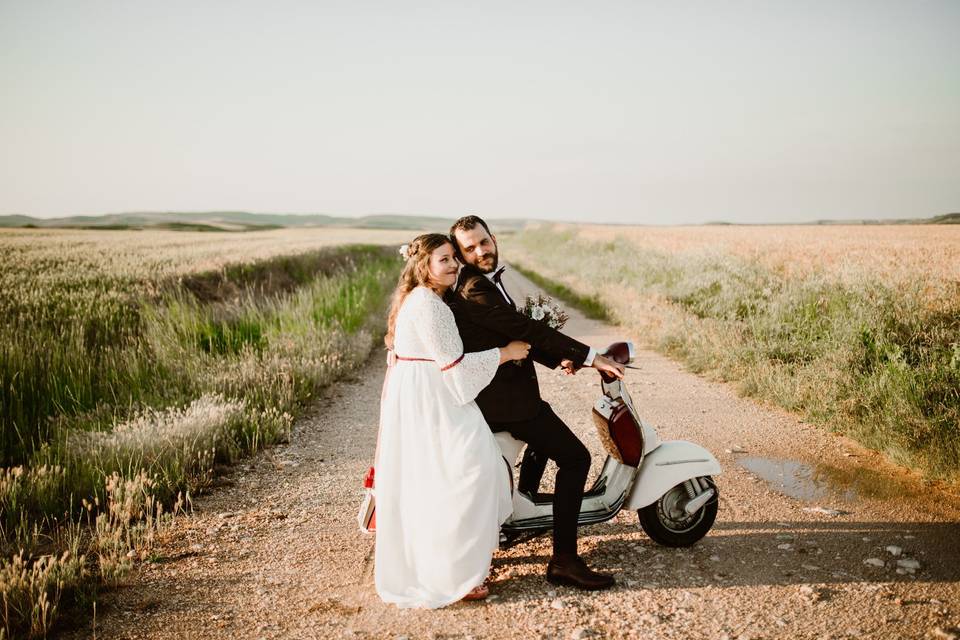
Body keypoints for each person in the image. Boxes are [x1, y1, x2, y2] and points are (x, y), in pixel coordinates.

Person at [448, 215, 625, 591]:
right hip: (504, 401)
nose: (481, 251)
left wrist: (556, 358)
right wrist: (591, 356)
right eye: (470, 248)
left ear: (493, 238)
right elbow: (526, 329)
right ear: (462, 255)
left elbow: (511, 332)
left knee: (545, 429)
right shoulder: (475, 287)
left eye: (483, 242)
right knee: (576, 458)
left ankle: (523, 508)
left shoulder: (482, 282)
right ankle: (564, 560)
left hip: (508, 394)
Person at [375, 233, 531, 608]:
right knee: (468, 474)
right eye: (443, 259)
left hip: (422, 393)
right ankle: (456, 574)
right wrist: (506, 353)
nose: (453, 265)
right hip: (435, 398)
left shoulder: (423, 299)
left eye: (452, 258)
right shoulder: (430, 306)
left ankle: (461, 562)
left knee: (443, 477)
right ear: (423, 266)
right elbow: (457, 369)